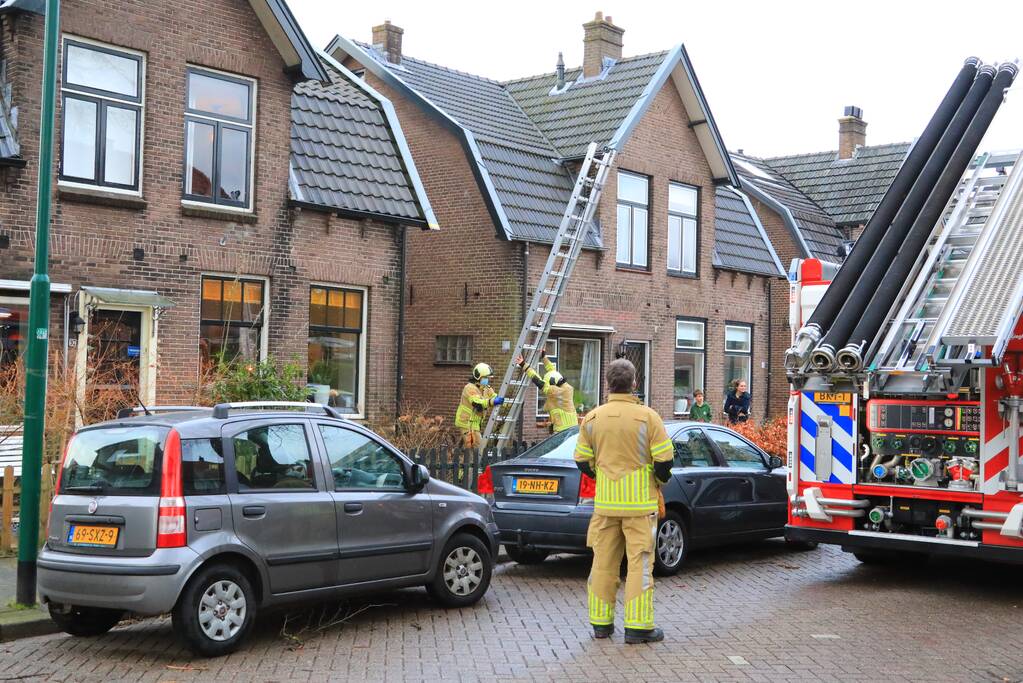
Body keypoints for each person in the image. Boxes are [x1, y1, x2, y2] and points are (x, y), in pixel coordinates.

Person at [573, 358, 673, 644]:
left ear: (608, 384)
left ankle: (601, 625)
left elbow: (581, 460)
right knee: (639, 564)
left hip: (605, 506)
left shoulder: (592, 419)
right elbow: (665, 461)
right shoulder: (648, 417)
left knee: (603, 564)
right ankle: (639, 627)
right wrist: (656, 481)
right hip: (640, 507)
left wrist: (602, 475)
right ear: (634, 384)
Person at [515, 348, 578, 433]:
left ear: (552, 383)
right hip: (572, 428)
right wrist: (543, 357)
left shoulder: (554, 392)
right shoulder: (565, 387)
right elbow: (552, 370)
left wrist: (523, 364)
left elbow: (537, 379)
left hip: (562, 431)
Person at [454, 362, 504, 448]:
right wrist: (493, 401)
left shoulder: (486, 388)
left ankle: (470, 461)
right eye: (485, 378)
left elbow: (495, 397)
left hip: (475, 423)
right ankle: (472, 461)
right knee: (477, 448)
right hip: (466, 422)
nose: (487, 380)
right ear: (478, 377)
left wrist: (507, 403)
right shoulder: (469, 388)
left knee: (472, 448)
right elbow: (477, 402)